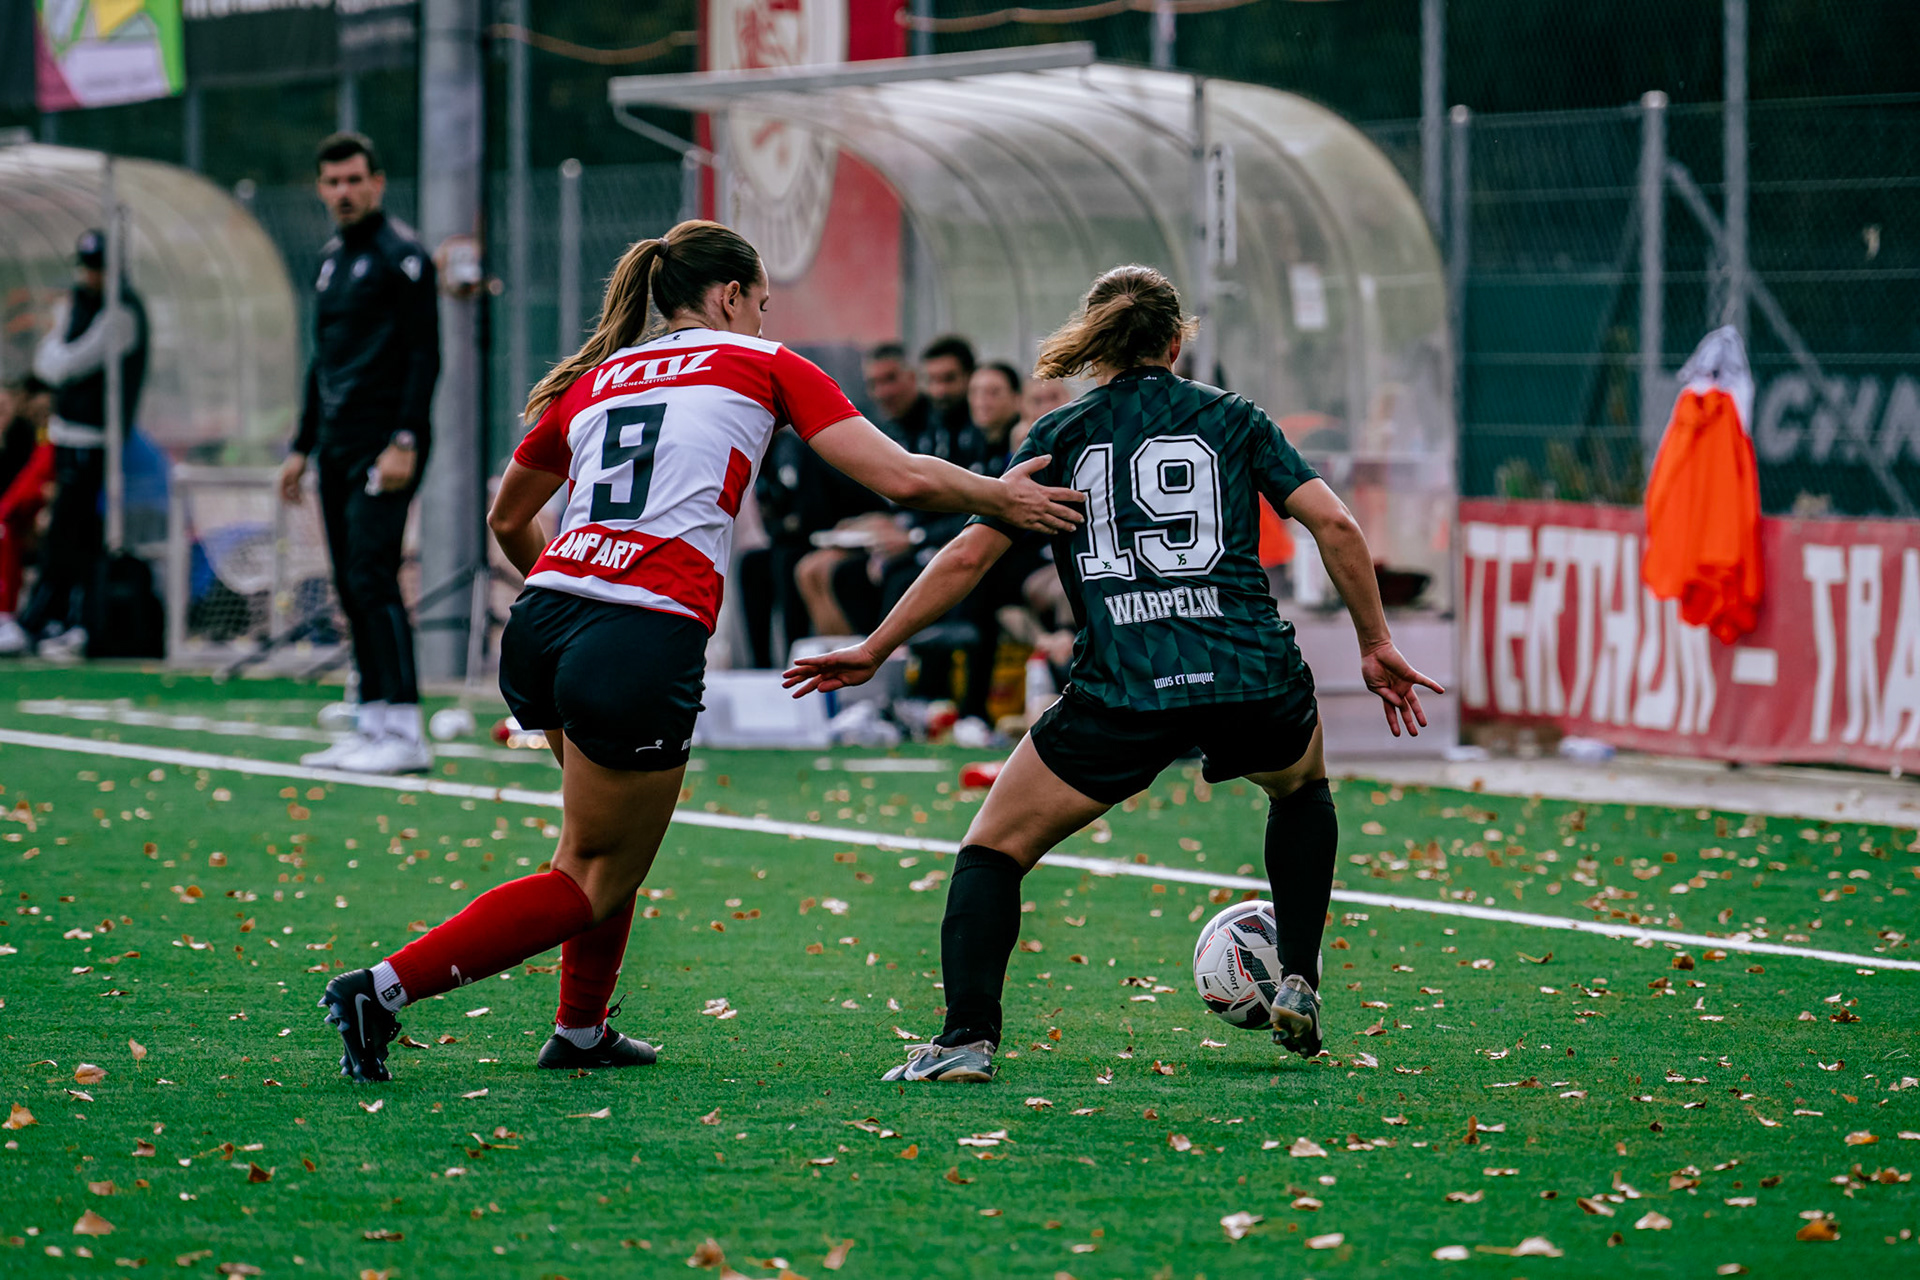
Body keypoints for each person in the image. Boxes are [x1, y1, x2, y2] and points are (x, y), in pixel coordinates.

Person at [317, 219, 1085, 1083]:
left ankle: (580, 1030)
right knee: (593, 874)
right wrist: (1001, 496)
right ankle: (379, 990)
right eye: (761, 303)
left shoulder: (599, 376)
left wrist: (578, 593)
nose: (762, 319)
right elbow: (901, 476)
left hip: (542, 620)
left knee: (603, 848)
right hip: (636, 635)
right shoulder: (763, 363)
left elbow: (507, 517)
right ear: (729, 296)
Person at [786, 265, 1443, 1083]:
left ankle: (964, 1041)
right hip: (1248, 671)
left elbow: (967, 556)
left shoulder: (1060, 434)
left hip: (1123, 684)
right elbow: (1335, 525)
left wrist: (877, 645)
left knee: (993, 849)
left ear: (1095, 347)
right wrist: (1375, 642)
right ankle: (1300, 978)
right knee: (1301, 790)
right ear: (1176, 343)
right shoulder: (1235, 417)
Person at [278, 133, 441, 776]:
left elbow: (425, 354)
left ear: (377, 183)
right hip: (336, 446)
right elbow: (321, 361)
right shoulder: (329, 262)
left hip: (384, 444)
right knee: (349, 580)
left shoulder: (404, 257)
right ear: (321, 188)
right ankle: (371, 724)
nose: (343, 192)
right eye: (332, 181)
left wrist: (405, 439)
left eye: (354, 179)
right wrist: (301, 446)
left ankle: (406, 730)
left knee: (373, 575)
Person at [18, 231, 149, 657]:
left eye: (99, 268)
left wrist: (60, 351)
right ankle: (56, 619)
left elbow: (66, 365)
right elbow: (47, 362)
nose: (91, 276)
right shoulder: (77, 305)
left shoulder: (122, 312)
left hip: (96, 442)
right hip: (68, 436)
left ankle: (57, 620)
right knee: (66, 532)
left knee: (73, 534)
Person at [0, 377, 53, 653]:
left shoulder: (31, 440)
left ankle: (7, 616)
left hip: (23, 524)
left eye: (3, 408)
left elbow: (33, 488)